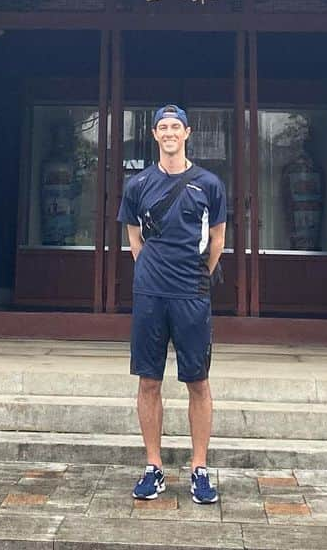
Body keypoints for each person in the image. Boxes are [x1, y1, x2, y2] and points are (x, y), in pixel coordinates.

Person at [117, 103, 226, 505]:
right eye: (162, 126)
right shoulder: (138, 185)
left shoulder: (209, 184)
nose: (168, 132)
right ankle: (153, 467)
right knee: (149, 379)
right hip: (150, 294)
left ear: (187, 132)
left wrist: (199, 276)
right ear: (155, 135)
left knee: (197, 380)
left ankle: (199, 468)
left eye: (174, 126)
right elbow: (134, 240)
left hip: (191, 293)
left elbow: (217, 239)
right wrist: (151, 273)